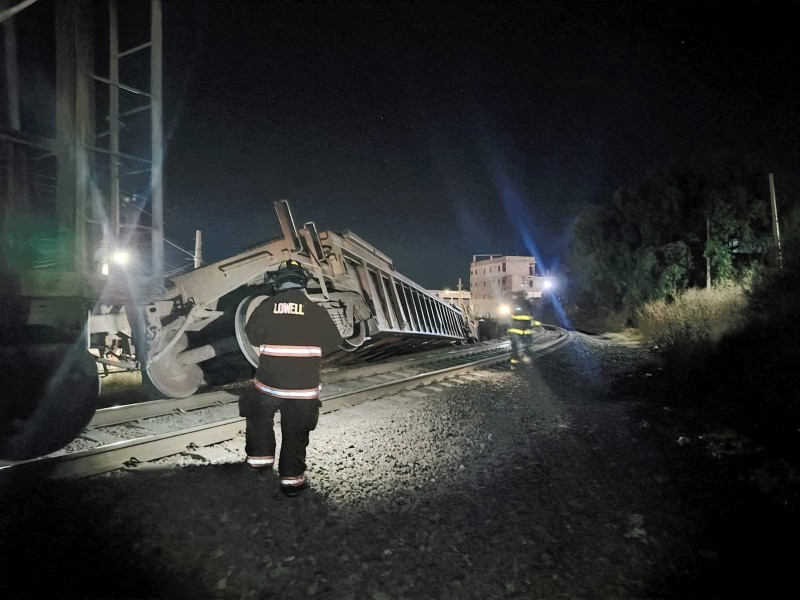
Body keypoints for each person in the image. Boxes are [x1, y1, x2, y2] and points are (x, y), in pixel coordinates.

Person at [239, 259, 342, 496]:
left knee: (257, 413)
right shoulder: (317, 311)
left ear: (278, 283)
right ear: (302, 283)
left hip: (269, 385)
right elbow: (333, 342)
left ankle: (260, 462)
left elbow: (252, 337)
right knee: (296, 431)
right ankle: (292, 481)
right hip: (303, 388)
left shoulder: (265, 307)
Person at [508, 302, 536, 366]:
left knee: (515, 348)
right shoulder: (527, 313)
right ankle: (525, 362)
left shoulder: (512, 313)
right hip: (523, 333)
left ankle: (514, 364)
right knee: (525, 346)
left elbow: (509, 323)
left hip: (515, 333)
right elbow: (530, 323)